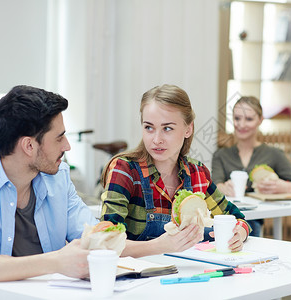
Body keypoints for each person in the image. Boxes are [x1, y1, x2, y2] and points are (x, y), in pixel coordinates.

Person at [100, 84, 250, 257]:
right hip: (139, 278)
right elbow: (106, 243)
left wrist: (239, 233)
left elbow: (236, 217)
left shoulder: (197, 173)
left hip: (190, 276)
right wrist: (160, 246)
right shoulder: (125, 170)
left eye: (167, 128)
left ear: (188, 129)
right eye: (149, 127)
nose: (157, 139)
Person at [0, 85, 98, 288]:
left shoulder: (58, 177)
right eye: (59, 137)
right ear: (29, 146)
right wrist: (55, 262)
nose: (67, 146)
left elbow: (93, 236)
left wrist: (156, 245)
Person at [212, 96, 291, 237]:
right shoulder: (221, 155)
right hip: (225, 219)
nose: (241, 124)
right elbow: (213, 186)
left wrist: (285, 187)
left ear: (260, 120)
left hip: (253, 221)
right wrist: (223, 188)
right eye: (237, 118)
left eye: (249, 119)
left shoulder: (274, 154)